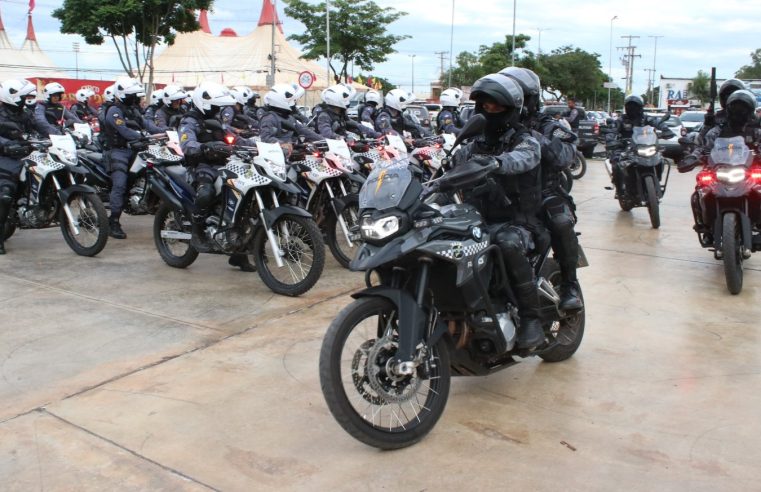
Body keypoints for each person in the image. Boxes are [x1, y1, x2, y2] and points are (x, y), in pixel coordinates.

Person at [452, 73, 545, 349]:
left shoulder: (526, 140)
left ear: (512, 109)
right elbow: (449, 173)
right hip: (477, 221)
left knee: (506, 244)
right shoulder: (470, 145)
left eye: (497, 106)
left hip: (519, 223)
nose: (489, 110)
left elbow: (523, 159)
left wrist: (496, 163)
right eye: (484, 105)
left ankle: (532, 318)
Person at [501, 66, 583, 311]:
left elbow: (564, 157)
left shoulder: (549, 125)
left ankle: (570, 285)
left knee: (560, 222)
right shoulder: (493, 124)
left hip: (545, 194)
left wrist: (530, 135)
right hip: (502, 196)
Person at [178, 82, 257, 272]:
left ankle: (239, 254)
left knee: (245, 203)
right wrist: (205, 147)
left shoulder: (217, 120)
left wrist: (256, 146)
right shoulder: (189, 121)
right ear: (205, 103)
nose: (220, 110)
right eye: (216, 106)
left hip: (224, 164)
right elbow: (187, 144)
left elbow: (234, 138)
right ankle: (197, 231)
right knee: (206, 192)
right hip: (201, 166)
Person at [678, 90, 760, 244]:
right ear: (728, 109)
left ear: (749, 111)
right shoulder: (717, 131)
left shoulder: (756, 131)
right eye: (735, 107)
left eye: (743, 108)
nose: (739, 112)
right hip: (720, 170)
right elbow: (703, 147)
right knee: (701, 190)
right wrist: (692, 157)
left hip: (747, 171)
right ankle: (706, 225)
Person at [101, 77, 164, 239]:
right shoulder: (113, 111)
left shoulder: (133, 110)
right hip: (118, 152)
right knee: (120, 184)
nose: (137, 99)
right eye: (133, 96)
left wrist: (165, 131)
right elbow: (123, 130)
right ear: (123, 95)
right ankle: (113, 221)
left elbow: (147, 125)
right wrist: (142, 136)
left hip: (137, 149)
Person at [606, 95, 674, 197]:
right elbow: (612, 130)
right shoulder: (621, 120)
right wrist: (610, 140)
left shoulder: (645, 118)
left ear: (640, 107)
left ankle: (656, 181)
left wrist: (666, 130)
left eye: (635, 105)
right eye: (630, 105)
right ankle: (619, 189)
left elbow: (657, 122)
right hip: (625, 147)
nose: (632, 108)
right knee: (616, 163)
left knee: (660, 159)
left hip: (644, 145)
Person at [0, 79, 37, 255]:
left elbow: (40, 127)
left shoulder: (26, 114)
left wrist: (61, 134)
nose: (26, 100)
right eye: (23, 97)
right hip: (5, 157)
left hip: (26, 154)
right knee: (6, 194)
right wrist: (5, 145)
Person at [315, 84, 381, 140]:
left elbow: (357, 125)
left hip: (341, 147)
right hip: (328, 150)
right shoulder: (324, 116)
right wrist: (341, 138)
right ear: (336, 98)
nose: (348, 102)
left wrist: (376, 134)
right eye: (346, 98)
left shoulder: (340, 115)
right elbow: (326, 133)